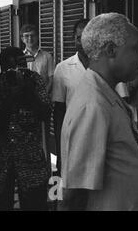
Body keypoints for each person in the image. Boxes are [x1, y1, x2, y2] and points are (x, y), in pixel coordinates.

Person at [60, 13, 138, 211]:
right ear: (111, 50)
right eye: (135, 47)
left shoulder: (105, 93)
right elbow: (75, 192)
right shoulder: (93, 105)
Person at [0, 47, 51, 210]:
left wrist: (29, 93)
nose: (21, 68)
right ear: (4, 67)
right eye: (16, 64)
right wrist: (12, 97)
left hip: (31, 160)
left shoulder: (34, 81)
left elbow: (46, 114)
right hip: (2, 163)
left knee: (35, 203)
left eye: (23, 62)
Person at [52, 19, 89, 175]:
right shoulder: (62, 68)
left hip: (102, 134)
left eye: (86, 37)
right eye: (77, 37)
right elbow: (59, 110)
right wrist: (61, 146)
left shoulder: (107, 64)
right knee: (69, 181)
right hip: (72, 134)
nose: (81, 42)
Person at [20, 24, 54, 95]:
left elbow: (51, 80)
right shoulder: (19, 57)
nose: (30, 38)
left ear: (37, 37)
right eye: (26, 36)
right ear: (22, 39)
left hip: (43, 99)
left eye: (32, 35)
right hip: (25, 99)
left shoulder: (47, 56)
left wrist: (44, 96)